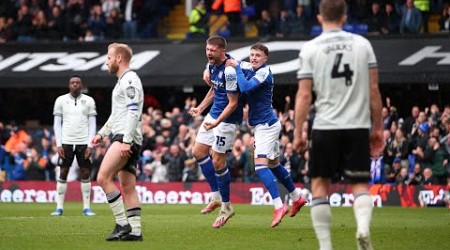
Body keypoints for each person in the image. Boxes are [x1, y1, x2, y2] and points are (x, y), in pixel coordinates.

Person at [293, 0, 383, 249]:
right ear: (344, 17)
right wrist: (378, 129)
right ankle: (363, 229)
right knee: (360, 185)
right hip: (357, 126)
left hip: (325, 126)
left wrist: (298, 132)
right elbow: (374, 91)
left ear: (319, 19)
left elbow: (303, 95)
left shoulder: (310, 49)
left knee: (320, 186)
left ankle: (325, 246)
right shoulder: (363, 45)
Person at [226, 43, 307, 228]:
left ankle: (279, 206)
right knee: (274, 164)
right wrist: (212, 63)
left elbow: (245, 87)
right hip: (266, 125)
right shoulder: (248, 65)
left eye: (257, 55)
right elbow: (227, 57)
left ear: (265, 59)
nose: (253, 58)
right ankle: (296, 197)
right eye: (252, 55)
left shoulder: (264, 73)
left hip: (266, 126)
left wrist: (237, 67)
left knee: (261, 167)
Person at [91, 43, 144, 241]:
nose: (107, 61)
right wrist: (102, 133)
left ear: (119, 58)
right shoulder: (123, 81)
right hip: (125, 136)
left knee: (103, 178)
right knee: (127, 186)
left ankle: (122, 224)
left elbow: (132, 111)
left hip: (125, 137)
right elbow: (116, 115)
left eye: (108, 57)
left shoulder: (129, 79)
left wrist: (127, 141)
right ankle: (136, 232)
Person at [189, 35, 242, 228]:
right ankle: (215, 196)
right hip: (213, 114)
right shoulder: (212, 65)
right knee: (198, 152)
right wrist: (200, 109)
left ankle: (226, 207)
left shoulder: (231, 69)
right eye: (207, 50)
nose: (208, 53)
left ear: (221, 51)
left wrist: (217, 122)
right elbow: (214, 90)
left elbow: (233, 102)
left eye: (212, 50)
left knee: (218, 159)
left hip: (226, 119)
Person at [51, 75, 97, 217]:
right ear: (69, 85)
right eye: (72, 82)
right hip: (66, 142)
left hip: (83, 142)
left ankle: (86, 208)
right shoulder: (60, 100)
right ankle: (59, 207)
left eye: (78, 83)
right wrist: (59, 144)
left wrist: (90, 144)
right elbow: (57, 124)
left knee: (85, 173)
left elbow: (92, 123)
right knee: (63, 172)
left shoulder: (89, 101)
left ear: (81, 85)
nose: (75, 85)